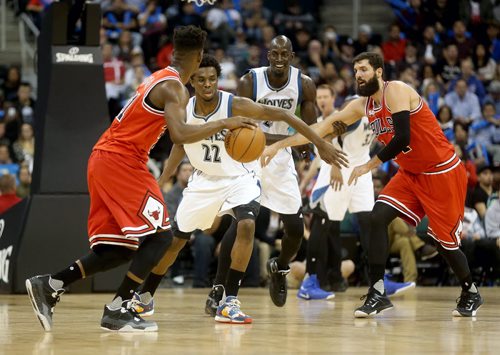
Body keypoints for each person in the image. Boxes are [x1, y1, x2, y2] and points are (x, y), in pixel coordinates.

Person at [25, 25, 259, 333]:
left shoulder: (159, 76)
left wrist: (165, 174)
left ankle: (50, 284)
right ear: (198, 56)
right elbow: (179, 134)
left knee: (120, 249)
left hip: (105, 159)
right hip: (121, 161)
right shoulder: (175, 87)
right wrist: (224, 122)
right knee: (162, 236)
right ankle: (117, 309)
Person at [262, 51, 483, 318]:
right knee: (377, 218)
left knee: (445, 243)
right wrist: (279, 145)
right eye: (355, 71)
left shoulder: (397, 90)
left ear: (379, 72)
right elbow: (319, 130)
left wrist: (368, 165)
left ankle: (470, 290)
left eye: (364, 69)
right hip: (411, 173)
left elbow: (402, 138)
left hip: (441, 171)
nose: (358, 75)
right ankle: (377, 292)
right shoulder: (360, 106)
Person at [132, 54, 346, 324]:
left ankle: (229, 300)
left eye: (212, 79)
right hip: (204, 181)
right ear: (192, 82)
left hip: (238, 177)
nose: (207, 84)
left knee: (246, 225)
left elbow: (281, 114)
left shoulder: (233, 104)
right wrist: (163, 177)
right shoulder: (183, 109)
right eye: (201, 79)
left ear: (217, 80)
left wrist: (319, 143)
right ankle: (145, 296)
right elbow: (178, 145)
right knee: (176, 242)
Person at [204, 35, 333, 314]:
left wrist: (307, 145)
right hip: (248, 157)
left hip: (280, 157)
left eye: (283, 54)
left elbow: (310, 126)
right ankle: (219, 287)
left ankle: (280, 266)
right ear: (267, 55)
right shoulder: (250, 81)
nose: (278, 59)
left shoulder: (304, 84)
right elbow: (239, 125)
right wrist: (282, 137)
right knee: (241, 224)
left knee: (296, 229)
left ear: (291, 56)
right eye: (273, 53)